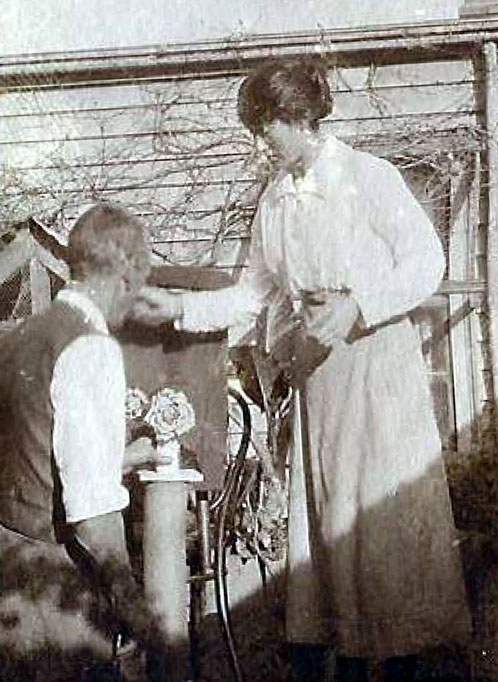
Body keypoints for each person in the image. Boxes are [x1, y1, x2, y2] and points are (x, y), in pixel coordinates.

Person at [133, 60, 471, 681]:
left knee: (379, 525)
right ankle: (349, 660)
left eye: (266, 128)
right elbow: (250, 297)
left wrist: (360, 305)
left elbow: (428, 260)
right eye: (254, 130)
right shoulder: (276, 204)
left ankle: (400, 666)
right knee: (332, 529)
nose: (258, 142)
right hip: (321, 379)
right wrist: (178, 307)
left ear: (300, 119)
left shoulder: (368, 178)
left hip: (377, 370)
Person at [0, 202, 165, 681]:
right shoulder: (90, 347)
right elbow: (93, 516)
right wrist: (136, 611)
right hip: (54, 590)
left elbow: (39, 448)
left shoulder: (20, 335)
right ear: (126, 277)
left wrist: (122, 457)